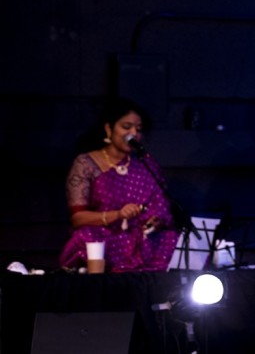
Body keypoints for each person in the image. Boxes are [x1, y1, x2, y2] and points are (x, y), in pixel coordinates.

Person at [58, 97, 180, 273]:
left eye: (138, 129)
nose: (133, 133)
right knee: (87, 237)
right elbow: (78, 219)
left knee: (173, 238)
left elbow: (162, 208)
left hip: (142, 239)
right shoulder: (86, 163)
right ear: (109, 129)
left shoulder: (146, 164)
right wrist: (118, 215)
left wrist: (155, 221)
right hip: (107, 236)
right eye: (126, 127)